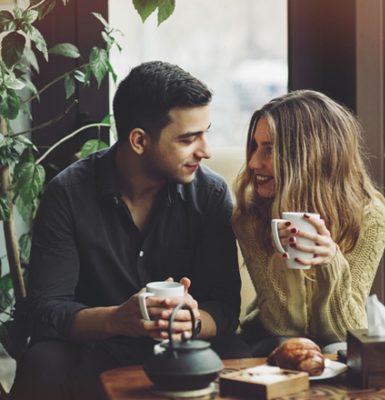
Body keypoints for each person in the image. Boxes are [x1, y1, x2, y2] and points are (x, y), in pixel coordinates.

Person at [11, 61, 250, 400]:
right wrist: (117, 320)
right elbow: (46, 310)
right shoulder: (67, 192)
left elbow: (224, 307)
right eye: (188, 138)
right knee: (43, 359)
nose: (205, 150)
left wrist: (193, 321)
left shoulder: (210, 194)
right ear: (139, 140)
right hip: (96, 347)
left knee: (239, 355)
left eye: (205, 132)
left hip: (185, 352)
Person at [232, 90, 385, 357]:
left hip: (336, 338)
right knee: (286, 347)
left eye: (269, 149)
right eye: (255, 146)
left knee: (343, 353)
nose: (253, 162)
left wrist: (331, 262)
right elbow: (283, 326)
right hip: (269, 337)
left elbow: (345, 331)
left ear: (310, 156)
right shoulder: (250, 215)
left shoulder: (371, 216)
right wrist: (288, 260)